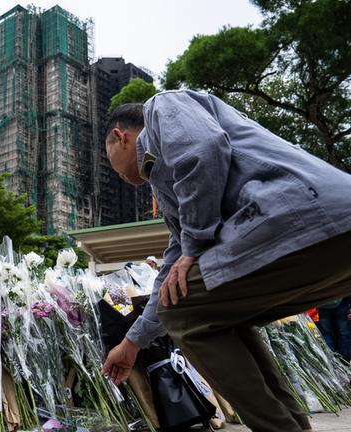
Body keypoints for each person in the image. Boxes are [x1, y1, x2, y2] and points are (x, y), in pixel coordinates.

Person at [99, 90, 351, 432]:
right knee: (215, 312)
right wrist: (131, 344)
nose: (118, 176)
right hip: (316, 232)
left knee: (182, 313)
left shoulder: (162, 107)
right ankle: (293, 426)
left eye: (111, 162)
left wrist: (193, 245)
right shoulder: (167, 186)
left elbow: (203, 150)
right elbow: (174, 270)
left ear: (120, 136)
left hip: (305, 217)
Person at [316, 297, 351, 362]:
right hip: (341, 304)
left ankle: (331, 360)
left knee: (325, 334)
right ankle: (345, 360)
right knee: (344, 334)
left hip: (322, 306)